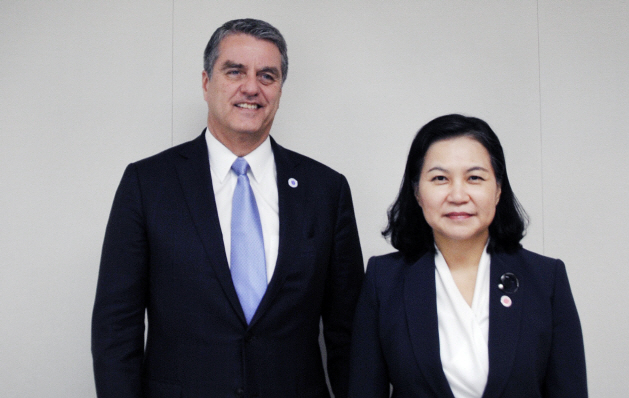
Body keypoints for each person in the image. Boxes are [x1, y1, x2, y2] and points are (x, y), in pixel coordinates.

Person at [92, 19, 364, 398]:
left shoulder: (326, 190)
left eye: (267, 76)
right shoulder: (147, 184)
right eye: (235, 71)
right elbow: (115, 329)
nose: (251, 87)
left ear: (280, 90)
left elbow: (348, 332)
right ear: (206, 82)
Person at [348, 114, 587, 397]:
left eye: (474, 178)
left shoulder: (546, 279)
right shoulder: (383, 280)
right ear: (417, 191)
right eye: (440, 178)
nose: (458, 195)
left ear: (498, 189)